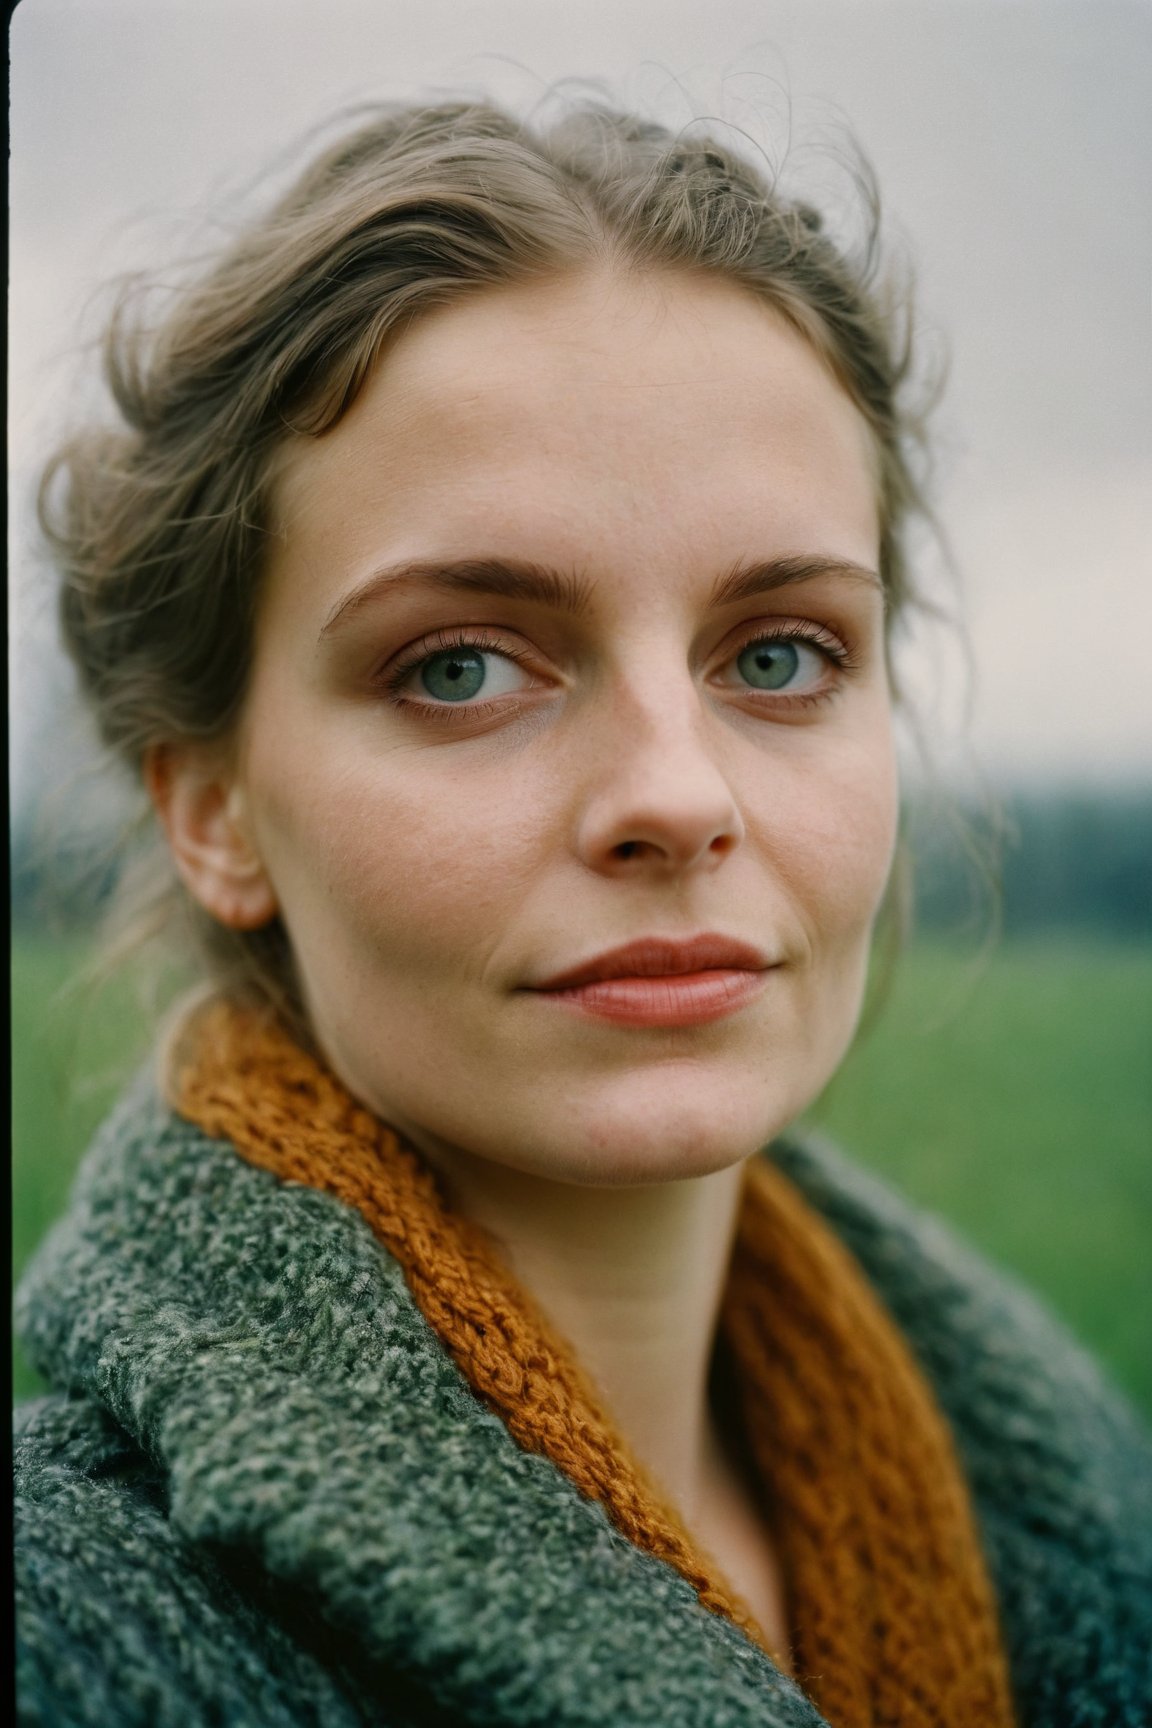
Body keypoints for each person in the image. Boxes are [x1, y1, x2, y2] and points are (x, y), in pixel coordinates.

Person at [13, 98, 1151, 1728]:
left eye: (779, 654)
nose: (678, 797)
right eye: (461, 668)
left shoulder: (1085, 1492)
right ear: (212, 807)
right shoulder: (64, 1631)